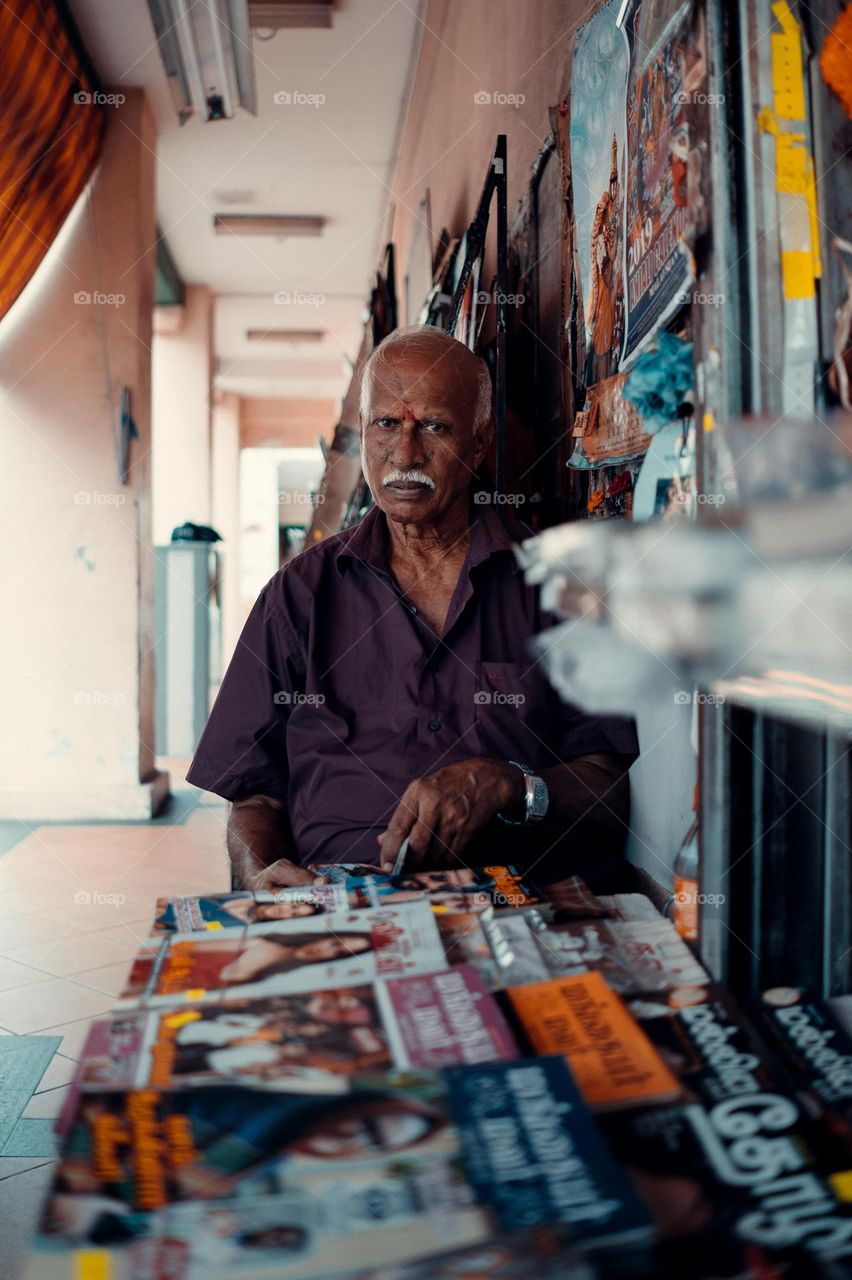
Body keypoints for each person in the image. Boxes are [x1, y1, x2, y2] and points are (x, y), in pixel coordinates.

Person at [186, 325, 638, 891]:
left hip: (519, 903)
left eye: (433, 426)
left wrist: (508, 784)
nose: (405, 453)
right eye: (386, 424)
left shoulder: (561, 589)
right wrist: (256, 873)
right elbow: (254, 795)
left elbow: (609, 792)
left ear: (478, 444)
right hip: (338, 906)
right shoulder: (298, 595)